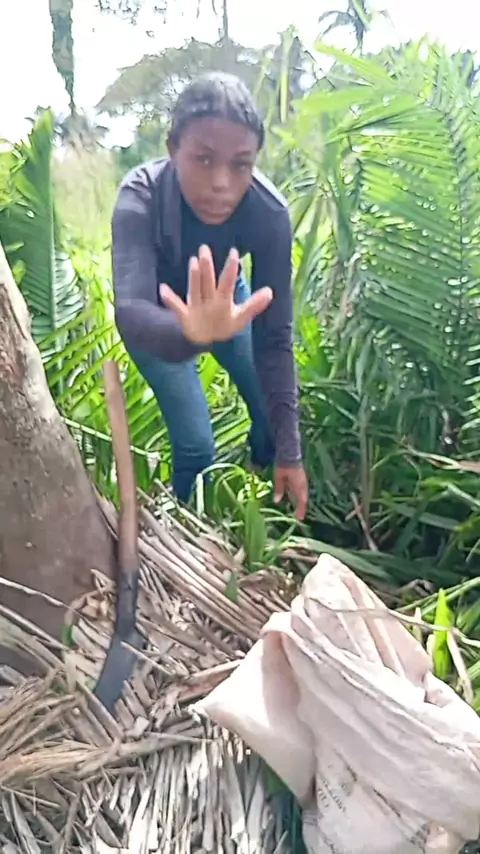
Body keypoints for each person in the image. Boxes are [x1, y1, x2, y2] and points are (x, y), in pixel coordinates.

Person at [111, 71, 308, 519]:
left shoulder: (269, 213)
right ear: (172, 148)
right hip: (160, 318)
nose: (221, 182)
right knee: (197, 448)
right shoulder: (140, 197)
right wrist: (191, 332)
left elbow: (275, 338)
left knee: (272, 417)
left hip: (228, 302)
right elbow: (132, 311)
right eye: (203, 159)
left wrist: (290, 454)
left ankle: (261, 495)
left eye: (240, 164)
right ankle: (188, 529)